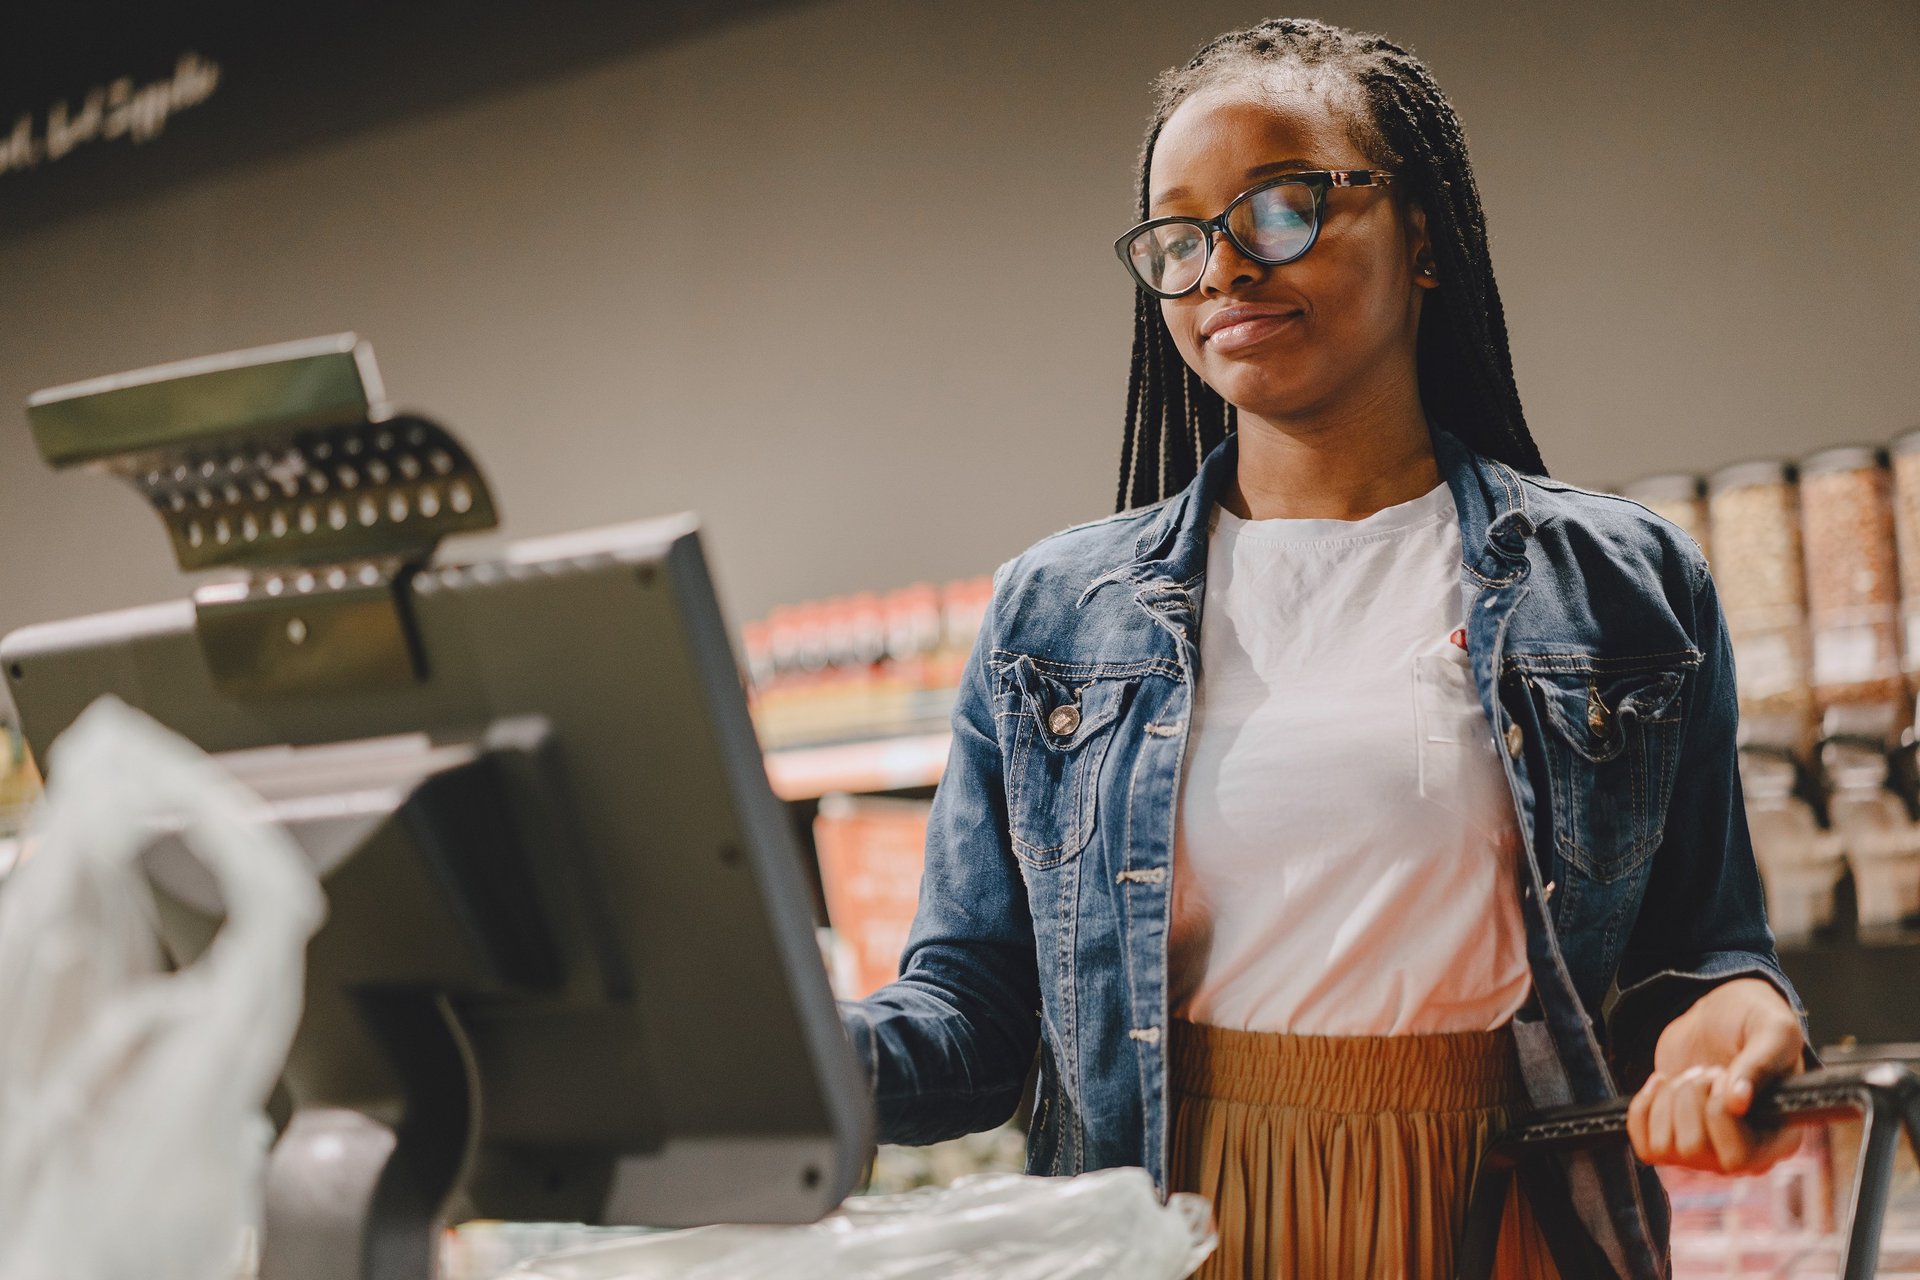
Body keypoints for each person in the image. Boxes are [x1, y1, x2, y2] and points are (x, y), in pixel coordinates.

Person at [839, 17, 1809, 1278]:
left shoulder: (1625, 588)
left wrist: (1739, 1016)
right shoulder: (1055, 615)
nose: (1223, 270)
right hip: (1166, 1222)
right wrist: (790, 1047)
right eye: (1181, 239)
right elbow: (974, 1017)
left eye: (1282, 206)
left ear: (1421, 235)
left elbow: (1704, 952)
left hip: (1504, 1213)